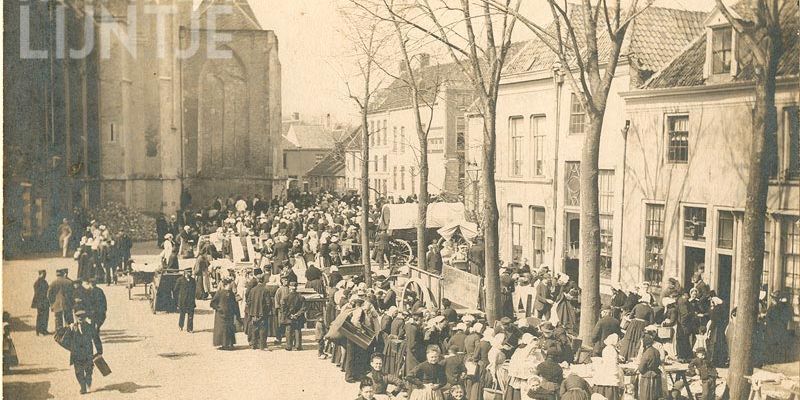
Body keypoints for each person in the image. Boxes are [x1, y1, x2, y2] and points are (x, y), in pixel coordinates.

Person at [69, 309, 103, 395]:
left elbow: (96, 339)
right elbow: (65, 338)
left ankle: (88, 379)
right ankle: (83, 387)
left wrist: (99, 351)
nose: (80, 318)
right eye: (78, 317)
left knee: (88, 369)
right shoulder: (72, 327)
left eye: (82, 317)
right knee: (78, 371)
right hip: (76, 353)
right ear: (76, 318)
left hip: (88, 352)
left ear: (85, 318)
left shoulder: (90, 327)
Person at [619, 293, 653, 361]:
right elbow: (651, 321)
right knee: (638, 340)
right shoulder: (650, 309)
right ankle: (635, 356)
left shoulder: (637, 306)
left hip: (634, 324)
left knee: (630, 339)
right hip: (643, 325)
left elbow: (631, 316)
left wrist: (636, 317)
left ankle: (625, 356)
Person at [211, 279, 241, 350]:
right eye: (229, 284)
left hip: (226, 314)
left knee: (228, 329)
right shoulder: (220, 293)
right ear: (226, 285)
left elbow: (213, 303)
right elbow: (213, 303)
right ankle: (225, 344)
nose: (231, 285)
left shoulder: (230, 293)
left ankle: (229, 343)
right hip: (222, 314)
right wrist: (219, 309)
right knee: (224, 329)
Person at [246, 273, 273, 350]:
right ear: (263, 280)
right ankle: (262, 345)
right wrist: (267, 311)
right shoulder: (266, 290)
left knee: (254, 328)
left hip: (253, 313)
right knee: (263, 329)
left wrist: (251, 311)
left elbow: (248, 302)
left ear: (257, 280)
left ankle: (253, 345)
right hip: (263, 313)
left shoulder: (252, 290)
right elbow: (268, 303)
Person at [281, 281, 306, 351]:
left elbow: (283, 309)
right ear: (296, 287)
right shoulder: (301, 297)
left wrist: (290, 315)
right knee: (297, 330)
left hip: (289, 318)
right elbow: (303, 308)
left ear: (289, 288)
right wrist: (297, 315)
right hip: (298, 317)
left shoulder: (286, 298)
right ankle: (298, 345)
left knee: (288, 331)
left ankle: (289, 346)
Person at [637, 334, 662, 400]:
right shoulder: (656, 351)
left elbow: (641, 368)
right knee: (655, 395)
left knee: (647, 395)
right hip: (656, 375)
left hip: (648, 376)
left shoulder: (647, 353)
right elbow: (659, 362)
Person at [31, 270, 50, 335]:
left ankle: (41, 330)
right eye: (44, 274)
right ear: (40, 274)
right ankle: (41, 330)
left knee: (42, 316)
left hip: (42, 302)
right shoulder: (38, 282)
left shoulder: (42, 281)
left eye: (45, 274)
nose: (45, 275)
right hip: (42, 302)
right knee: (42, 316)